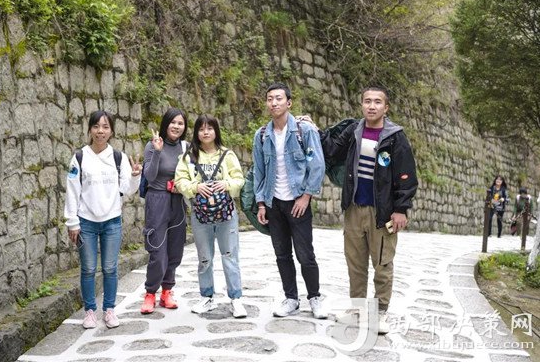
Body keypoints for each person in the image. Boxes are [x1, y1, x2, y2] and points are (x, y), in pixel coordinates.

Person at [320, 86, 418, 334]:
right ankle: (357, 310)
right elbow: (331, 150)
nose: (371, 106)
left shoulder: (395, 137)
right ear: (361, 104)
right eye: (367, 101)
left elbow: (406, 176)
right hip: (354, 207)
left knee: (383, 264)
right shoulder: (354, 130)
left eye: (377, 102)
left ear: (386, 107)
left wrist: (401, 209)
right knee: (355, 263)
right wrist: (313, 130)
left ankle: (380, 312)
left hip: (382, 212)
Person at [252, 82, 327, 319]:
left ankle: (314, 298)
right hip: (274, 203)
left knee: (305, 254)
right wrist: (261, 203)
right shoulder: (262, 135)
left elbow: (317, 165)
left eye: (278, 98)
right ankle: (291, 299)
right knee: (282, 254)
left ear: (289, 103)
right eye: (270, 99)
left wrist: (306, 196)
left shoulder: (305, 131)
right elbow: (259, 171)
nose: (274, 103)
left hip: (298, 202)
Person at [64, 110, 142, 329]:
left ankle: (109, 309)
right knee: (88, 269)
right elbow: (72, 190)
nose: (101, 131)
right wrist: (72, 222)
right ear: (90, 129)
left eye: (106, 127)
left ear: (111, 131)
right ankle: (90, 311)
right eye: (96, 126)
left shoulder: (118, 158)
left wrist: (135, 176)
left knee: (110, 268)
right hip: (86, 222)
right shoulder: (79, 157)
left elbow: (127, 189)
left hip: (112, 221)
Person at [175, 115, 247, 318]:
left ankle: (236, 298)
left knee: (230, 255)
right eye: (201, 129)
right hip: (200, 215)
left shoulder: (227, 155)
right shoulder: (189, 157)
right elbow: (180, 181)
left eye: (209, 128)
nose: (205, 132)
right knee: (204, 258)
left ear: (216, 131)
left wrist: (227, 184)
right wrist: (196, 187)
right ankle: (207, 296)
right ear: (196, 132)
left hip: (226, 214)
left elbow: (239, 179)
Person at [140, 107, 189, 314]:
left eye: (180, 123)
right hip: (157, 200)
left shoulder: (186, 147)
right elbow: (150, 176)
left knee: (175, 250)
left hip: (178, 202)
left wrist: (183, 186)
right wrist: (158, 151)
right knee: (157, 250)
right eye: (173, 122)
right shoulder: (152, 145)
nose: (176, 126)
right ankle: (150, 293)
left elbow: (193, 175)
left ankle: (167, 291)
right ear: (166, 124)